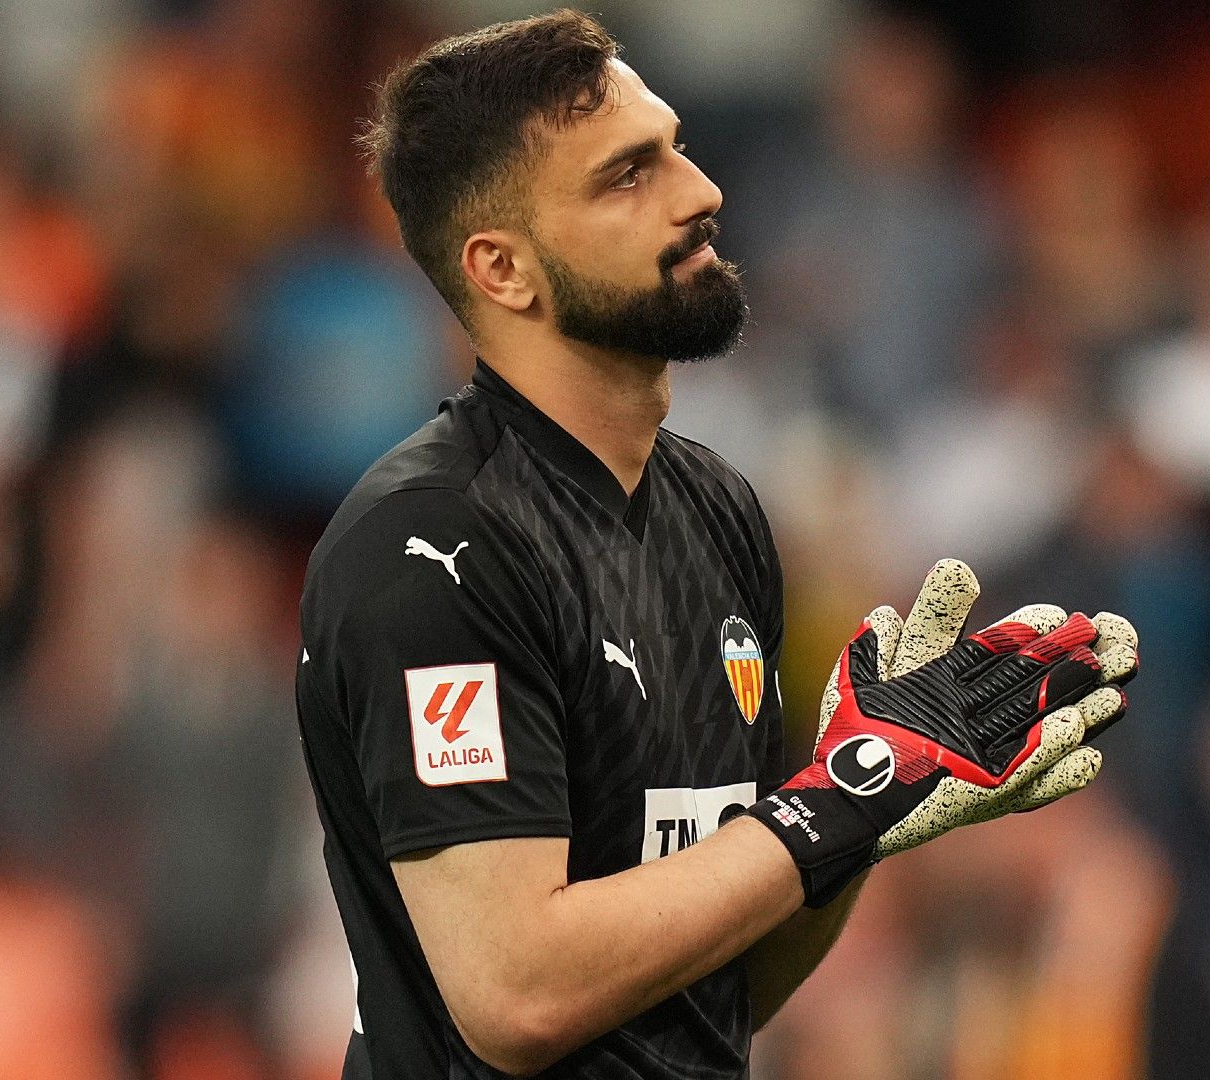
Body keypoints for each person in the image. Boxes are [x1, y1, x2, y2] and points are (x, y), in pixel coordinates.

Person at [295, 11, 1139, 1078]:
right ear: (504, 270)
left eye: (676, 148)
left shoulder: (722, 515)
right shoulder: (434, 548)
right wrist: (841, 798)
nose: (700, 194)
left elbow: (722, 992)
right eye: (627, 176)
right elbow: (513, 994)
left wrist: (864, 815)